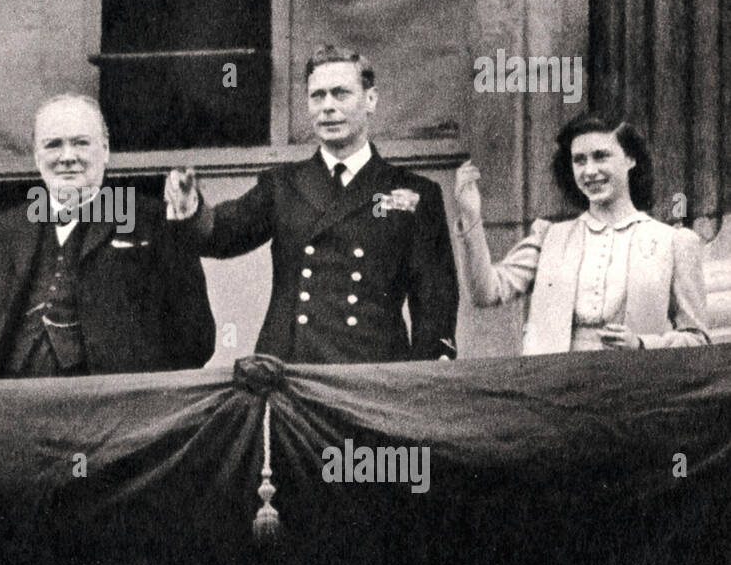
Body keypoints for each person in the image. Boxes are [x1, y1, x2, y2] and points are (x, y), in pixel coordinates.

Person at [164, 45, 459, 364]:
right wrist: (190, 207)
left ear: (370, 99)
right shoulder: (282, 185)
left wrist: (429, 369)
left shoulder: (414, 193)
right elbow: (222, 233)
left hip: (374, 377)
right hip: (293, 376)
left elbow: (434, 301)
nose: (327, 107)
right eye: (317, 96)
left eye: (340, 93)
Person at [0, 93, 215, 378]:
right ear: (37, 156)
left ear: (106, 149)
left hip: (110, 411)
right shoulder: (2, 232)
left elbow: (195, 343)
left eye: (80, 143)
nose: (67, 157)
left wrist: (180, 235)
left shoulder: (150, 220)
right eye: (53, 145)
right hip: (17, 406)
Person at [453, 116, 709, 353]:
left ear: (630, 160)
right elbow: (485, 293)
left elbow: (698, 339)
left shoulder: (674, 241)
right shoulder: (550, 236)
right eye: (579, 160)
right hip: (554, 389)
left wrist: (643, 344)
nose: (589, 171)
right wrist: (471, 216)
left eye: (601, 156)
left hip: (634, 391)